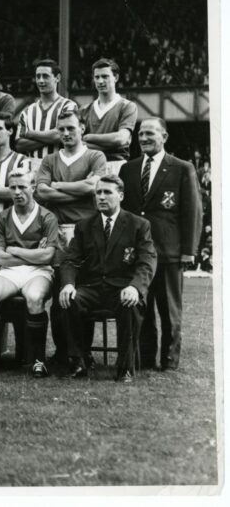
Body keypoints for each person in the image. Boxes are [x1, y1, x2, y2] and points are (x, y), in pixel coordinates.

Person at [119, 117, 202, 370]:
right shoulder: (128, 169)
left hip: (169, 251)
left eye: (150, 134)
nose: (144, 138)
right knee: (141, 309)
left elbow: (193, 211)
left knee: (169, 311)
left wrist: (189, 251)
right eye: (141, 134)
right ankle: (145, 359)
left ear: (164, 137)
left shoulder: (181, 167)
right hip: (139, 254)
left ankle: (168, 361)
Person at [59, 175, 157, 383]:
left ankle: (125, 368)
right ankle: (78, 362)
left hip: (122, 288)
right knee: (70, 300)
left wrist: (135, 287)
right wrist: (68, 284)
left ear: (120, 195)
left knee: (129, 302)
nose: (101, 197)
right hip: (93, 288)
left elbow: (147, 261)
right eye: (98, 192)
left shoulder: (139, 225)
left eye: (107, 192)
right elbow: (70, 260)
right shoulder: (84, 226)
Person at [35, 109, 107, 362]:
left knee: (80, 293)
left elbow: (93, 187)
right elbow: (42, 193)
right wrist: (77, 190)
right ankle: (62, 351)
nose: (65, 133)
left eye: (71, 128)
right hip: (57, 232)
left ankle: (83, 352)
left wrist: (57, 185)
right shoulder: (50, 160)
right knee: (58, 296)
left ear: (82, 129)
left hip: (86, 232)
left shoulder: (95, 156)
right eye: (61, 128)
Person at [0, 167, 59, 378]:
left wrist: (13, 249)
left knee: (34, 298)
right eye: (13, 187)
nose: (17, 192)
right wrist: (33, 252)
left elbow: (47, 257)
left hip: (39, 271)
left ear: (33, 187)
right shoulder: (2, 218)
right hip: (9, 271)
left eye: (22, 187)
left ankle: (37, 360)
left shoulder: (47, 217)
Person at [14, 59, 78, 164]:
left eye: (45, 76)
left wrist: (29, 133)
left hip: (61, 165)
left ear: (57, 78)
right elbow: (19, 145)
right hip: (33, 168)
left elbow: (61, 135)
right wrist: (51, 138)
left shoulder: (68, 106)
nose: (41, 81)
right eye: (38, 76)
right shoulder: (27, 111)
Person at [81, 58, 137, 163]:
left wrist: (88, 137)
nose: (100, 81)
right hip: (89, 166)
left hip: (116, 165)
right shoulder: (84, 109)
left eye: (105, 76)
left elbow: (120, 139)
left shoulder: (127, 106)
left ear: (116, 77)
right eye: (97, 77)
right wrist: (111, 145)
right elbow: (77, 144)